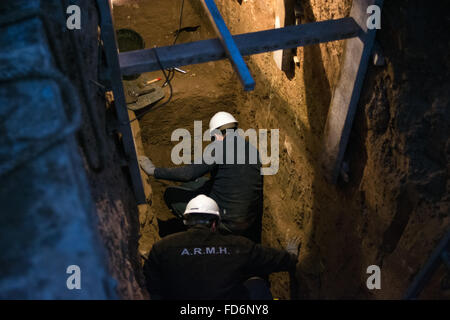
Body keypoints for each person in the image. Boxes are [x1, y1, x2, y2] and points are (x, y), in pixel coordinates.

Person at [143, 195, 300, 300]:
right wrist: (290, 257)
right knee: (257, 285)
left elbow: (151, 286)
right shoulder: (238, 246)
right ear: (215, 223)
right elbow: (270, 259)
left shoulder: (162, 248)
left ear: (186, 221)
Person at [139, 111, 264, 243]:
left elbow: (188, 174)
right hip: (248, 221)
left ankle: (200, 232)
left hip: (225, 223)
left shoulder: (220, 147)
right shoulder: (251, 149)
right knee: (202, 182)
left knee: (171, 194)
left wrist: (154, 171)